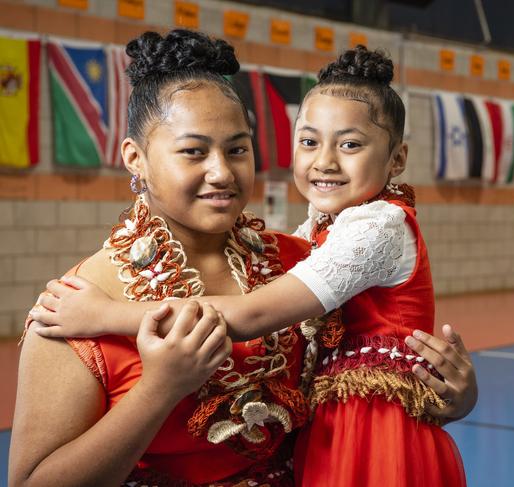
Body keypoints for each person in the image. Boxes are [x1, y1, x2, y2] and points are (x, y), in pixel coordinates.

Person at [17, 32, 477, 486]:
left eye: (237, 149)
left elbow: (372, 361)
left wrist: (447, 393)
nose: (221, 172)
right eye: (194, 151)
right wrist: (158, 391)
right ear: (136, 158)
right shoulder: (74, 305)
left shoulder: (299, 259)